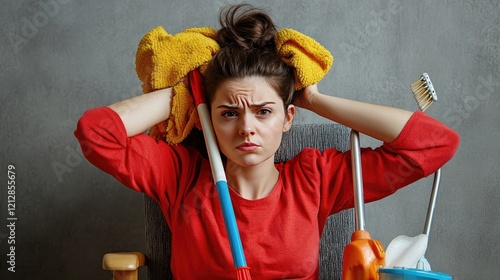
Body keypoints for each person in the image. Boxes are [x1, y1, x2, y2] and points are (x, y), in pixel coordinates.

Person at [74, 4, 459, 279]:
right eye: (229, 113)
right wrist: (181, 94)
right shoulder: (179, 175)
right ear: (209, 119)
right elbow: (96, 133)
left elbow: (435, 144)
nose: (246, 128)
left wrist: (315, 100)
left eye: (263, 111)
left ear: (287, 118)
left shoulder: (316, 178)